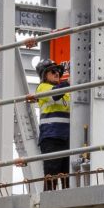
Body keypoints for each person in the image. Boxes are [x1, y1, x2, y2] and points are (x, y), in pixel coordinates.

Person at [35, 58, 72, 188]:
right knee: (51, 177)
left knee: (68, 179)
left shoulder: (65, 92)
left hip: (67, 138)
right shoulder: (42, 88)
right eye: (53, 71)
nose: (57, 73)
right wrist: (68, 83)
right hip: (51, 138)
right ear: (44, 75)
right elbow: (54, 95)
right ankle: (49, 199)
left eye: (58, 71)